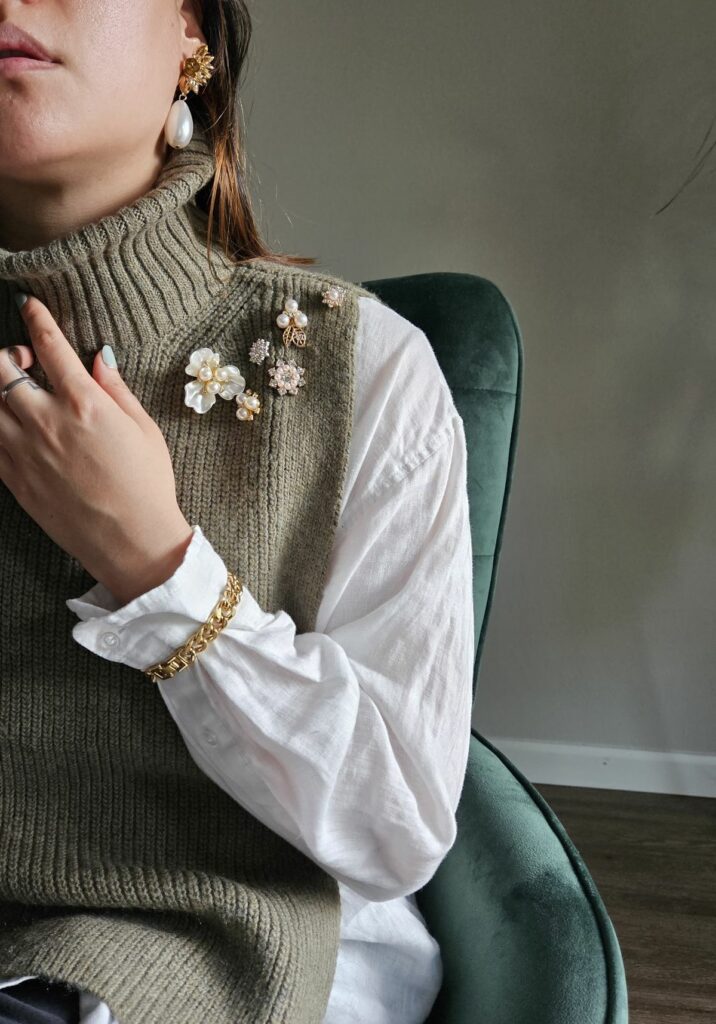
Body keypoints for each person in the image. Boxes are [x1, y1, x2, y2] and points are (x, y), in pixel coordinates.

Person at [0, 3, 474, 1023]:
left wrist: (156, 566)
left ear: (189, 33)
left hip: (180, 966)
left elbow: (394, 827)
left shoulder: (366, 373)